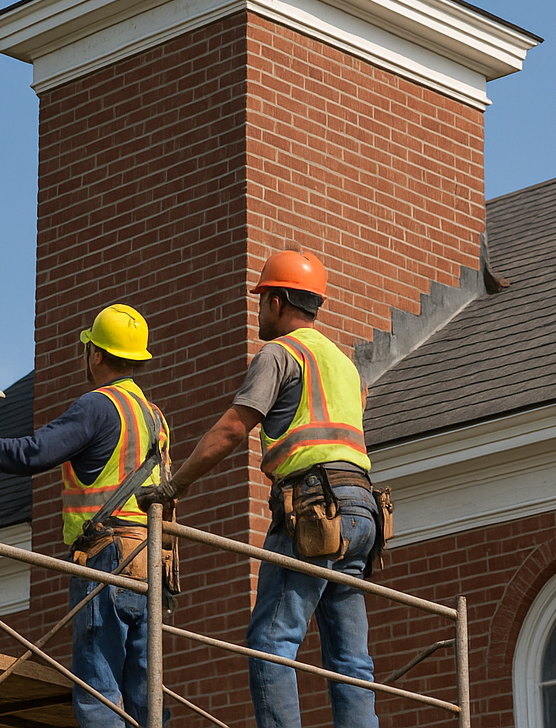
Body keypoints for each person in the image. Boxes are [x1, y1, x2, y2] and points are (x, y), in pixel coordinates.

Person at [137, 250, 381, 728]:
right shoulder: (347, 365)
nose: (258, 311)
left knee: (272, 642)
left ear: (277, 300)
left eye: (262, 299)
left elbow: (233, 428)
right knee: (351, 660)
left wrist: (174, 485)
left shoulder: (280, 354)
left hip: (313, 506)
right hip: (363, 510)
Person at [0, 303, 171, 728]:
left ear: (96, 354)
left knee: (99, 687)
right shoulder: (154, 417)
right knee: (145, 695)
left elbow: (28, 454)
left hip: (108, 560)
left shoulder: (98, 406)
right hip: (151, 562)